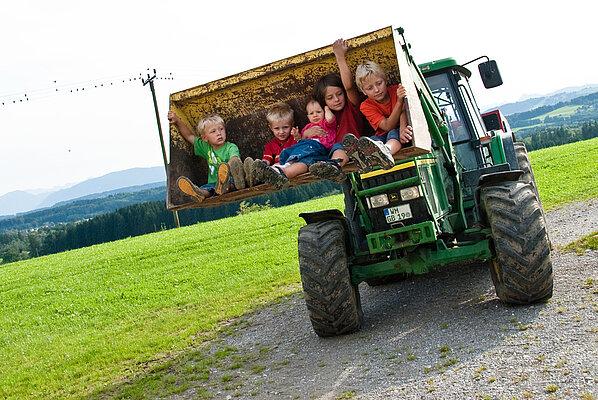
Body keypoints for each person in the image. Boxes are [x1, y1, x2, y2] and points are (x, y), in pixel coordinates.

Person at [306, 38, 367, 179]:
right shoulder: (322, 116)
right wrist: (305, 134)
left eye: (339, 94)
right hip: (329, 152)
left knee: (341, 145)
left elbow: (349, 87)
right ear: (323, 102)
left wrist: (340, 57)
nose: (337, 99)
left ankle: (334, 167)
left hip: (353, 146)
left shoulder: (352, 106)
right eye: (330, 98)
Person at [346, 60, 414, 172]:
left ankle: (386, 151)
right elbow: (387, 126)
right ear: (363, 91)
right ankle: (363, 157)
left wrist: (403, 129)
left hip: (397, 134)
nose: (376, 90)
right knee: (371, 140)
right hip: (382, 134)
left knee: (393, 133)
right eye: (369, 88)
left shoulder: (397, 91)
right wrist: (398, 102)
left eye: (379, 83)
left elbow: (404, 111)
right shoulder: (365, 106)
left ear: (386, 80)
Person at [253, 101, 337, 189]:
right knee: (286, 155)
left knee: (299, 157)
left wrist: (298, 137)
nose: (281, 132)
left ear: (292, 124)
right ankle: (263, 173)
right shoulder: (307, 128)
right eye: (277, 128)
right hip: (289, 158)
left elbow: (331, 119)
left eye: (285, 127)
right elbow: (267, 159)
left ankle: (278, 171)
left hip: (310, 154)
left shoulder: (325, 124)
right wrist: (263, 163)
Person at [167, 111, 246, 202]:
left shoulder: (230, 147)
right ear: (205, 138)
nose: (218, 133)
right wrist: (177, 120)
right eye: (213, 131)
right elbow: (189, 136)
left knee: (232, 183)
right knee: (206, 189)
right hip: (213, 184)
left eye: (221, 129)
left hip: (230, 180)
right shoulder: (206, 147)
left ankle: (223, 186)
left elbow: (234, 159)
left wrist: (225, 170)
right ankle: (197, 193)